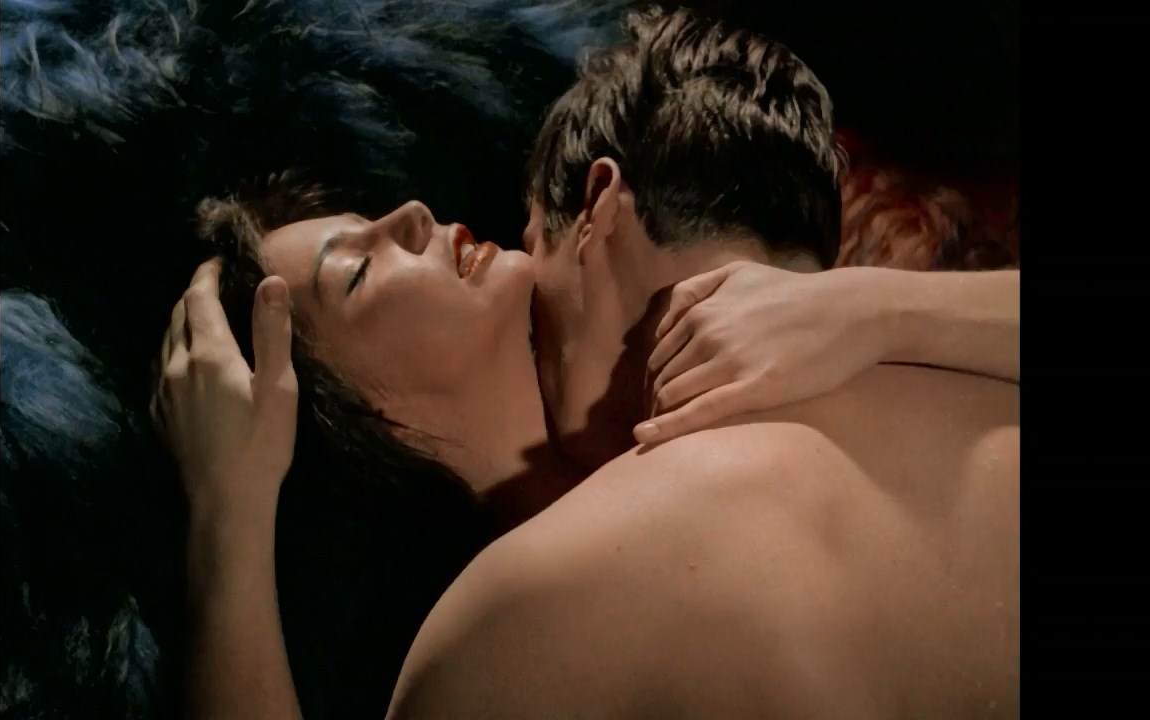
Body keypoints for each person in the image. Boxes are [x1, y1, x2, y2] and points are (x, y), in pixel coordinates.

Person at [154, 7, 1019, 719]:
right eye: (356, 270)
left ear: (599, 201)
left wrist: (227, 531)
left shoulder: (506, 633)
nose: (416, 213)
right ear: (343, 417)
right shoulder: (950, 380)